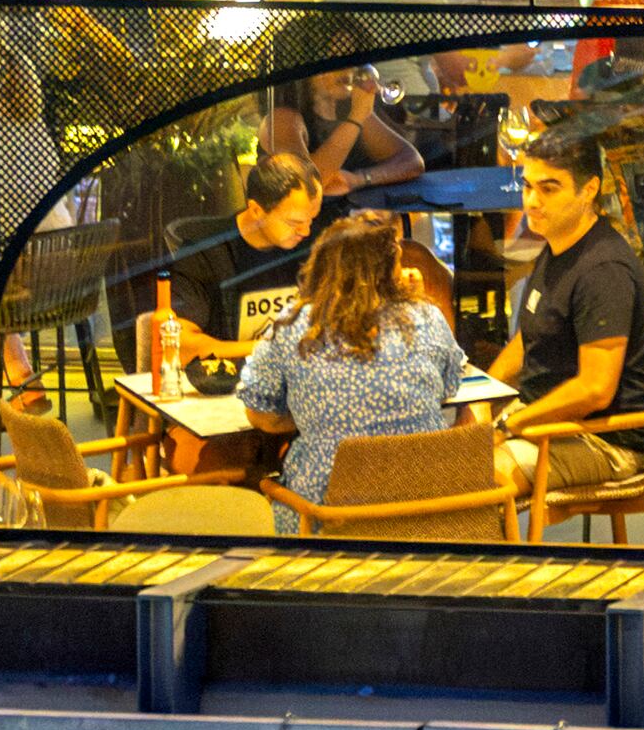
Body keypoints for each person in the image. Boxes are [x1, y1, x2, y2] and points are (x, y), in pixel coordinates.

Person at [234, 214, 463, 511]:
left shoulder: (293, 325)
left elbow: (260, 414)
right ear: (388, 272)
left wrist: (316, 415)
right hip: (429, 512)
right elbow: (446, 387)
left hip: (329, 520)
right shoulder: (426, 316)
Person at [495, 146, 644, 508]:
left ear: (589, 189)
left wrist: (510, 426)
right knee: (442, 455)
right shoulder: (558, 245)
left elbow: (594, 390)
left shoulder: (603, 270)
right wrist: (484, 397)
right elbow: (532, 335)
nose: (532, 201)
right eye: (528, 186)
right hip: (542, 422)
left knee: (474, 475)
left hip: (604, 441)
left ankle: (498, 565)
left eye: (549, 189)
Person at [168, 156, 321, 339]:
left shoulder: (313, 246)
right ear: (256, 210)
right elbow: (182, 344)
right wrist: (272, 351)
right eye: (294, 222)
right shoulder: (204, 252)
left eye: (311, 219)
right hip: (232, 365)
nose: (305, 231)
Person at [262, 66, 418, 197]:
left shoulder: (350, 108)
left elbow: (411, 161)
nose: (348, 70)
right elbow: (306, 183)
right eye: (334, 58)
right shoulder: (282, 119)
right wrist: (356, 117)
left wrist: (359, 179)